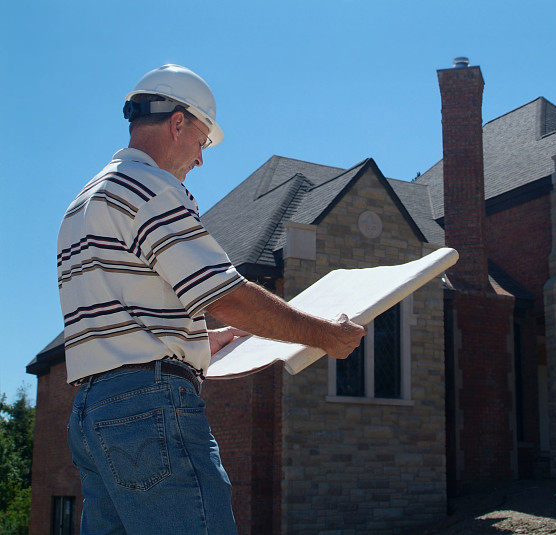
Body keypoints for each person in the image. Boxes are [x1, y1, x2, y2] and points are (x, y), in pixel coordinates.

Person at [59, 64, 365, 533]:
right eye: (201, 142)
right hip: (149, 408)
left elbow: (127, 311)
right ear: (177, 122)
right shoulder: (152, 189)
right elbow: (227, 297)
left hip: (92, 415)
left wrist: (201, 341)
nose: (201, 160)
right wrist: (326, 336)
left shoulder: (83, 203)